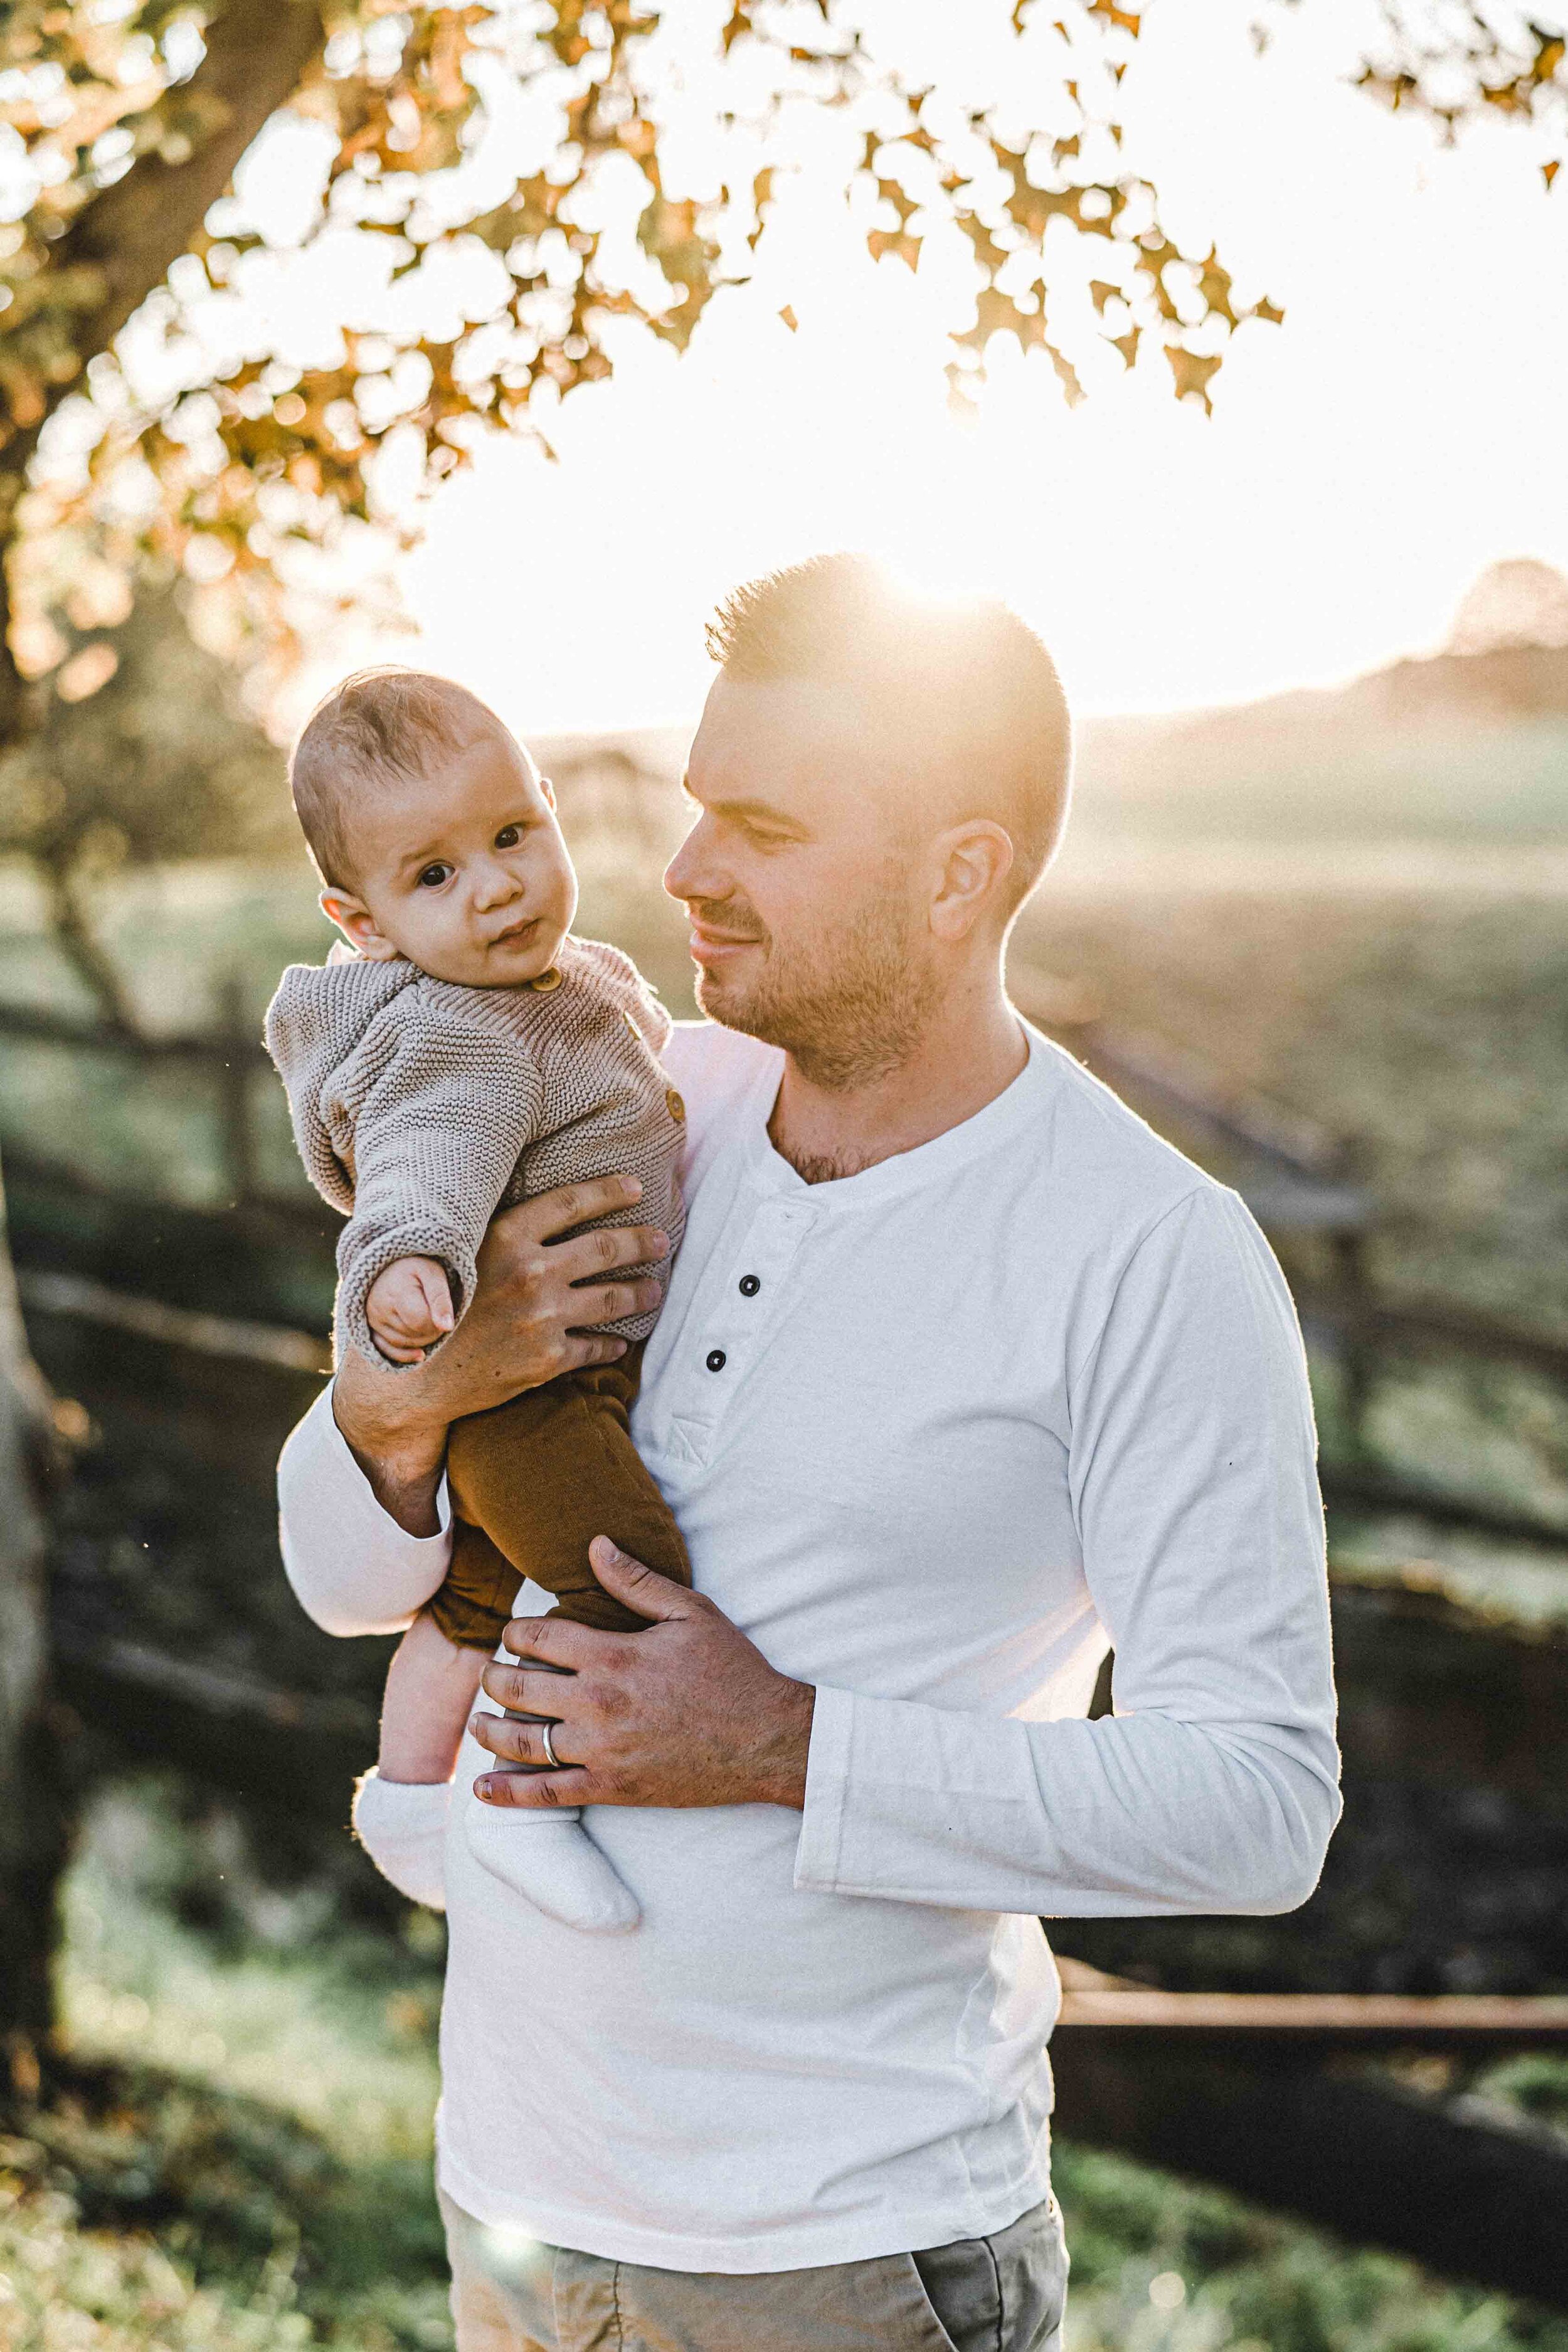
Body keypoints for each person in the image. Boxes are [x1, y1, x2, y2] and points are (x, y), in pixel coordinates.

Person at [278, 554, 1341, 2352]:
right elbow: (336, 1584)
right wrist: (402, 1397)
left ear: (955, 876)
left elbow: (1257, 1805)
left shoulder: (1148, 1253)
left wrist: (784, 1745)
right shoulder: (625, 1095)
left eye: (757, 825)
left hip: (841, 2258)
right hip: (519, 2212)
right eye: (695, 809)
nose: (683, 868)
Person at [266, 668, 689, 1930]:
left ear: (549, 808)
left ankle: (406, 1798)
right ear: (365, 924)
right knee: (630, 1587)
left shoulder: (560, 982)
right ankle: (524, 1805)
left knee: (479, 1596)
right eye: (434, 875)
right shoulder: (459, 1036)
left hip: (573, 1376)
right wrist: (407, 1268)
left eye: (512, 835)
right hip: (526, 1396)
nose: (497, 885)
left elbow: (623, 1042)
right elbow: (426, 1162)